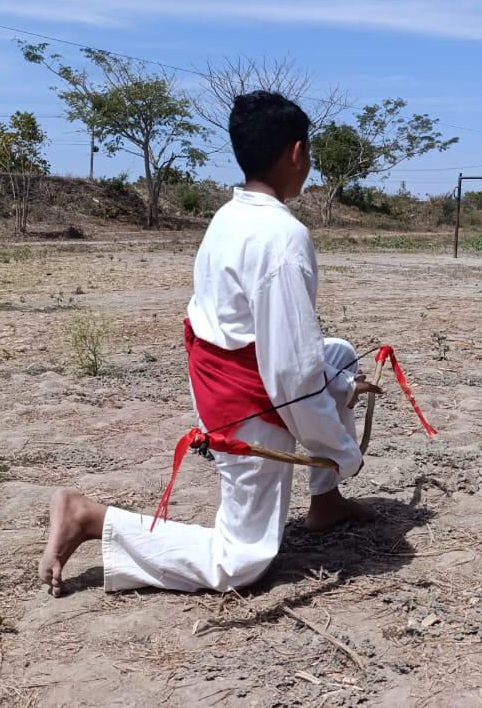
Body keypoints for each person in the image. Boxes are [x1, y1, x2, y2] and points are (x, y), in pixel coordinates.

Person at [39, 91, 380, 597]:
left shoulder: (229, 216)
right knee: (240, 563)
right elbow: (292, 377)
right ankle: (91, 518)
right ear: (296, 153)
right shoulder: (282, 236)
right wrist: (341, 451)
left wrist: (341, 379)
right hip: (245, 407)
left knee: (339, 353)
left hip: (221, 382)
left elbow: (294, 358)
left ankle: (325, 503)